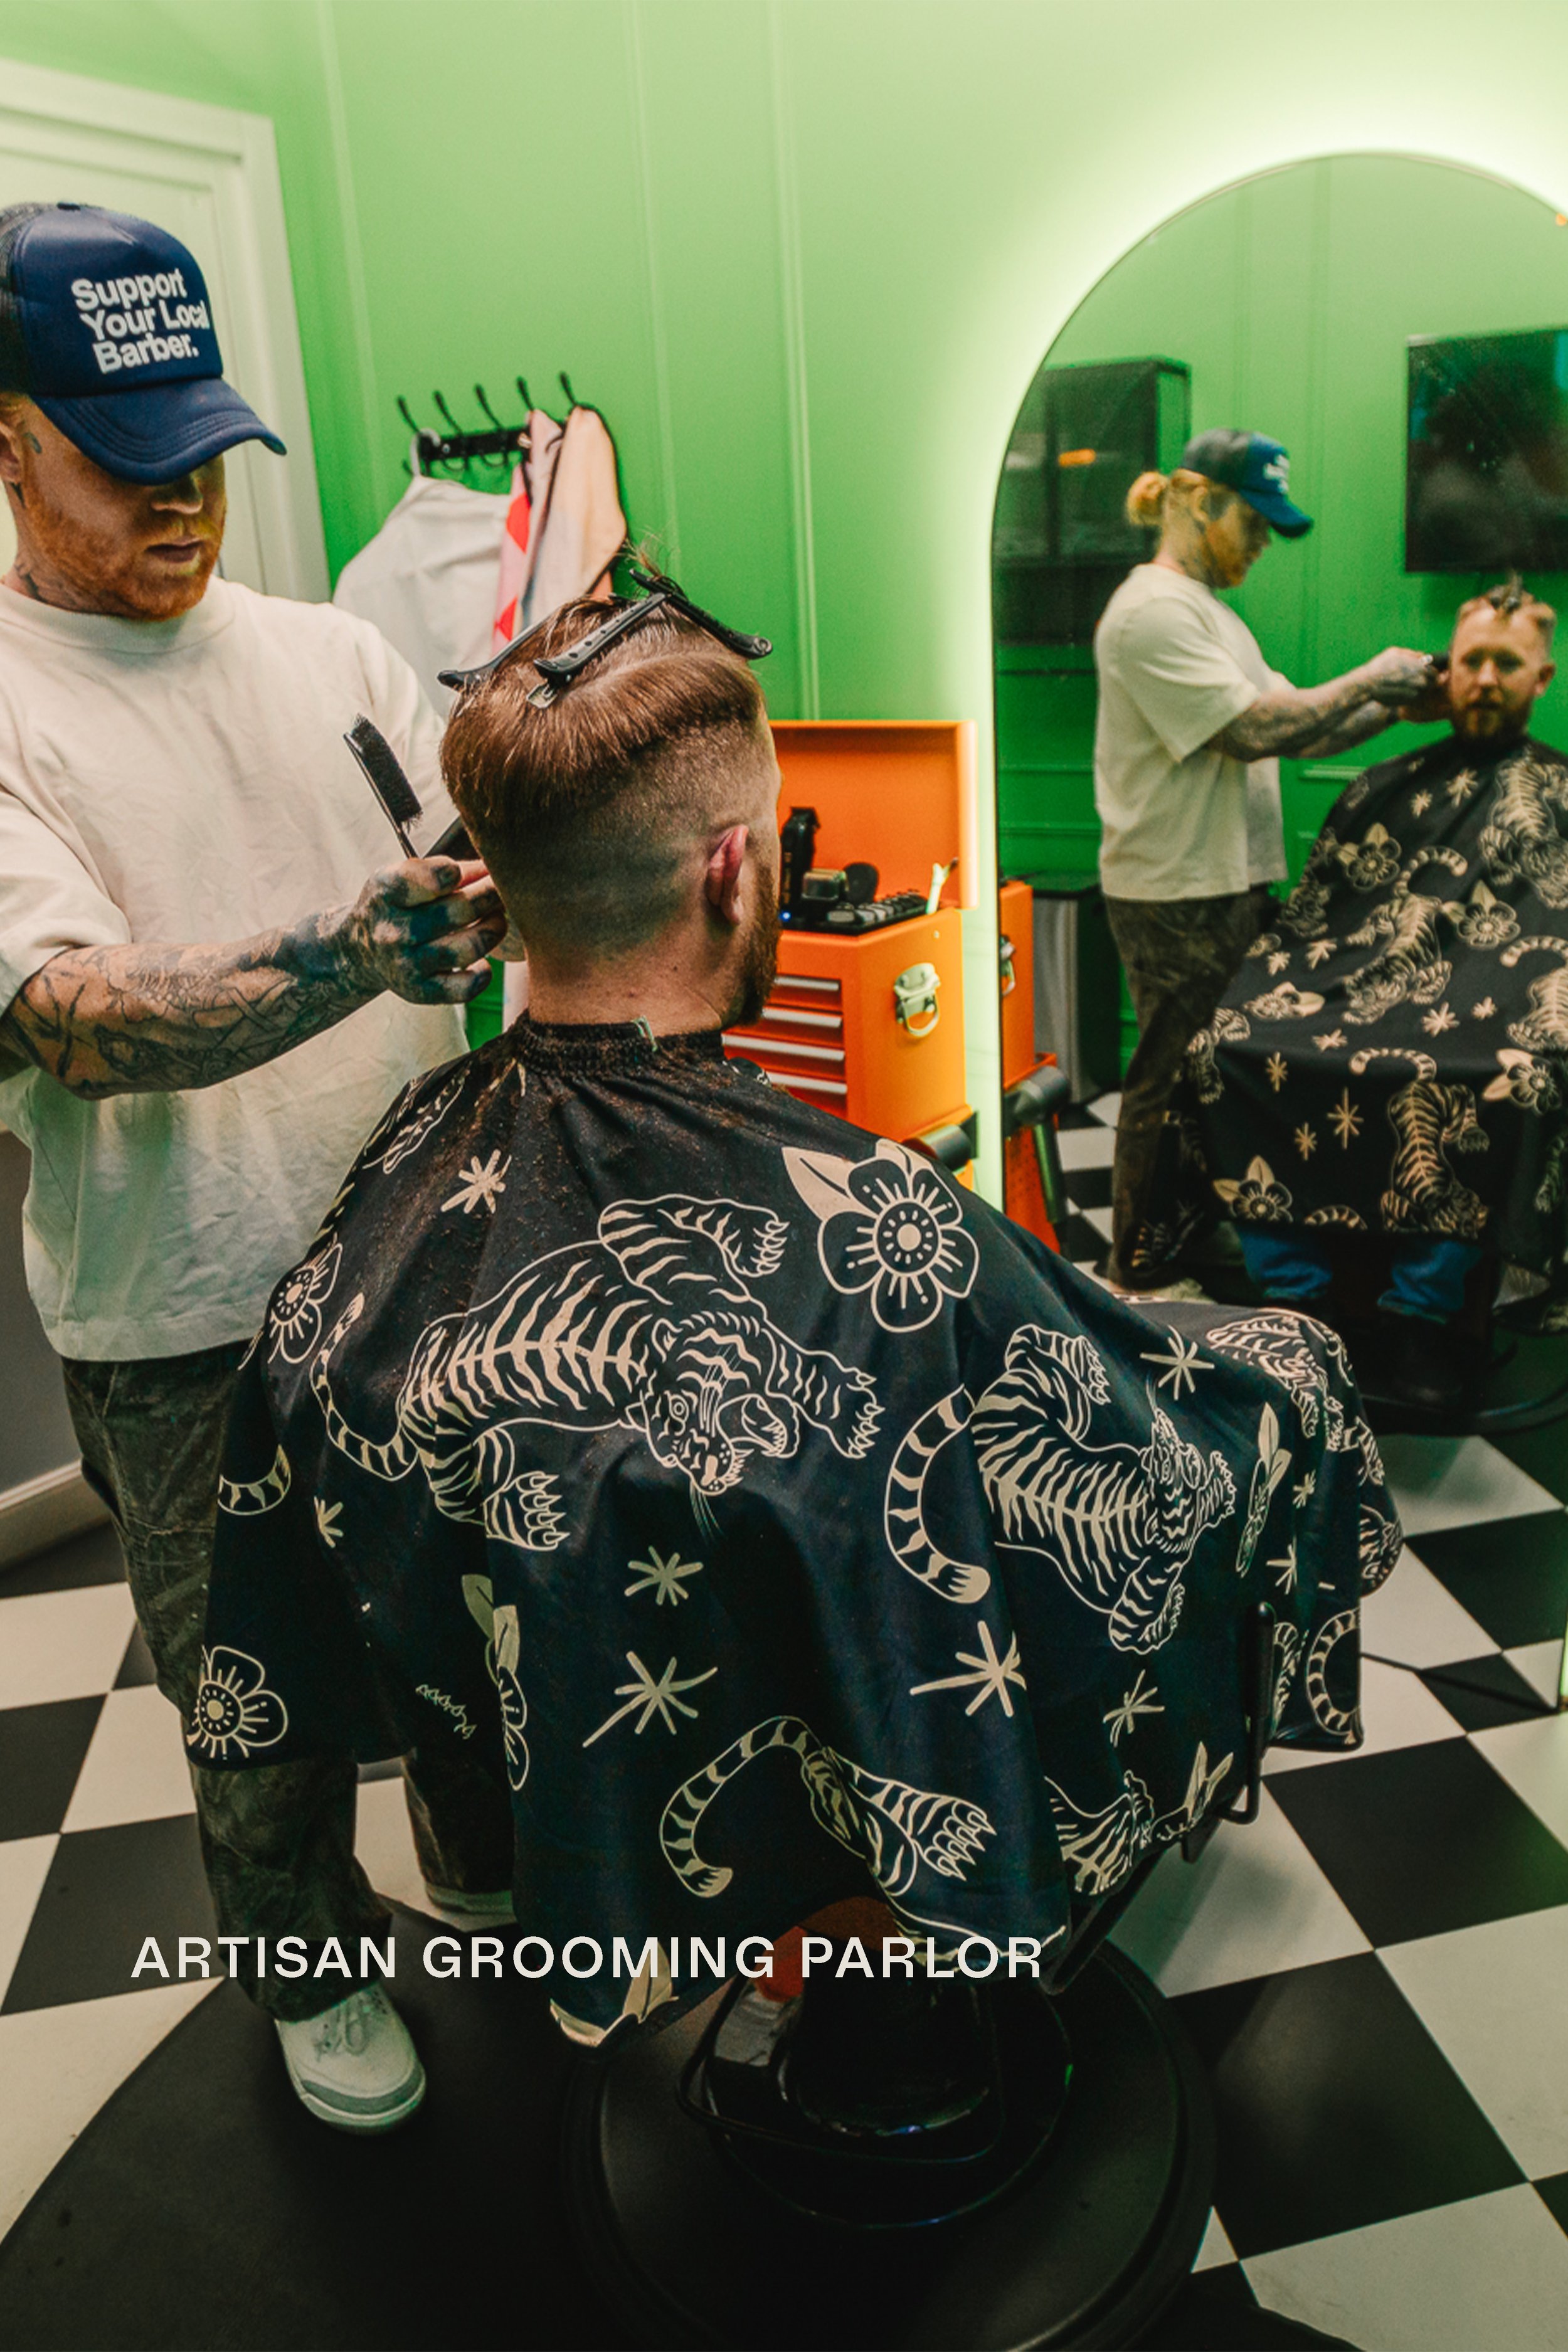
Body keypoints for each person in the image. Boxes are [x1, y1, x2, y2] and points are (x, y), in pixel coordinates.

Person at [191, 580, 1399, 2053]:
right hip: (840, 1712)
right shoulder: (862, 1217)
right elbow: (1090, 1442)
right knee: (1277, 1373)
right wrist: (1260, 1367)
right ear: (732, 872)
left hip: (579, 1720)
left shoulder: (404, 1163)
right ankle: (915, 1927)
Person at [0, 201, 516, 2131]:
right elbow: (64, 1010)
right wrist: (351, 952)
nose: (185, 499)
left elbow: (475, 844)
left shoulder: (336, 652)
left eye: (203, 449)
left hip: (422, 1258)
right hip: (181, 1312)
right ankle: (308, 1962)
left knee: (470, 1613)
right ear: (6, 440)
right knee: (261, 1699)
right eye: (127, 460)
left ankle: (486, 1866)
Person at [1180, 579, 1567, 1414]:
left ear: (1543, 679)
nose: (1487, 680)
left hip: (1494, 1017)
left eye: (1509, 664)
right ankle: (1299, 1305)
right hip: (1355, 999)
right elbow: (1320, 921)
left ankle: (1422, 1319)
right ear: (1444, 673)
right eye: (1472, 662)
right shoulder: (1382, 786)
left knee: (1518, 1074)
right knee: (1223, 1050)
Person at [1094, 426, 1439, 1291]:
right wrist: (1372, 675)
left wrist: (1404, 705)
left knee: (1216, 1077)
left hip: (1227, 880)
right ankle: (1134, 1263)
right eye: (1254, 523)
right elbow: (1253, 732)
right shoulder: (1150, 612)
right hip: (1177, 890)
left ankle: (1193, 1233)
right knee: (1169, 1077)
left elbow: (1303, 723)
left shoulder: (1213, 617)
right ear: (1199, 500)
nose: (1260, 545)